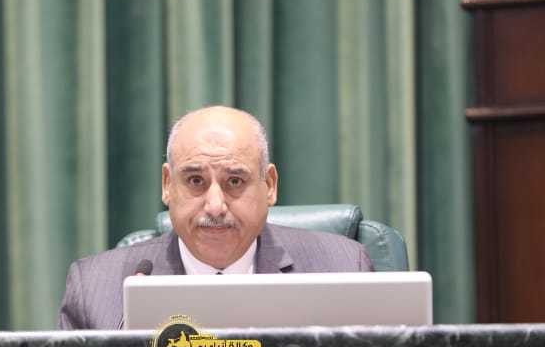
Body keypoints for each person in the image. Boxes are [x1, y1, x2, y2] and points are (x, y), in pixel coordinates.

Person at [56, 105, 373, 329]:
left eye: (234, 181)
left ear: (269, 185)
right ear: (167, 185)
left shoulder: (345, 269)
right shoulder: (94, 290)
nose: (215, 206)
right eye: (196, 181)